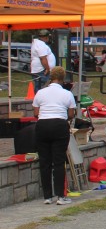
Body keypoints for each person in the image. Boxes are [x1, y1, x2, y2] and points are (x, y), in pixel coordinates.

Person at [31, 66, 76, 205]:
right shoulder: (67, 94)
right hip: (59, 125)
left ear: (51, 77)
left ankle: (47, 196)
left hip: (43, 125)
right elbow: (71, 114)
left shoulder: (40, 92)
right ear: (62, 78)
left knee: (44, 161)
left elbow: (35, 113)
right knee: (59, 161)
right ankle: (60, 196)